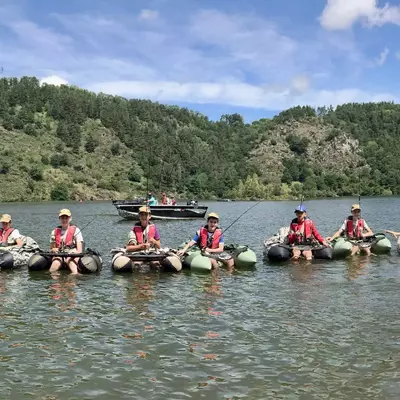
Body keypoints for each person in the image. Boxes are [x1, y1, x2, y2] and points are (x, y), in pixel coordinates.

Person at [49, 209, 84, 275]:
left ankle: (74, 278)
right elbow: (52, 248)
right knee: (55, 263)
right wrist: (54, 249)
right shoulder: (54, 232)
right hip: (59, 254)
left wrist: (73, 252)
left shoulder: (76, 230)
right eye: (62, 218)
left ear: (70, 218)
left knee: (69, 261)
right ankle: (55, 282)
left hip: (71, 254)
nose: (64, 220)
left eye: (66, 218)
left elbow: (79, 250)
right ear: (59, 218)